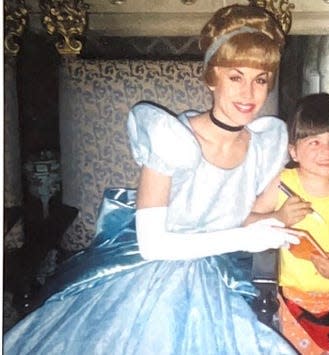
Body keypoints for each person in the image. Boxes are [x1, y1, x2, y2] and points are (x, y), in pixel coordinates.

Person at [4, 5, 304, 354]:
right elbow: (153, 245)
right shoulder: (171, 138)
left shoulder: (265, 144)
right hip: (147, 273)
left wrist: (277, 219)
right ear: (211, 77)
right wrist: (245, 236)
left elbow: (242, 218)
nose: (249, 93)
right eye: (235, 76)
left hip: (211, 274)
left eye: (260, 79)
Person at [246, 93, 329, 354]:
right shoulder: (283, 183)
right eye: (314, 142)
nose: (326, 151)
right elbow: (247, 221)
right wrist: (278, 217)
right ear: (294, 149)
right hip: (295, 300)